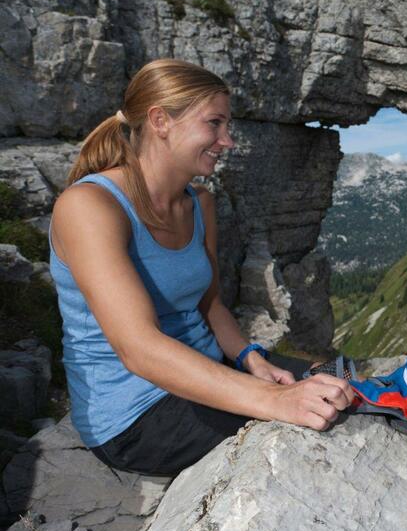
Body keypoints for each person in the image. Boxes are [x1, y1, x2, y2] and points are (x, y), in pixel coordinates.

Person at [49, 59, 354, 477]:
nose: (227, 141)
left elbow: (209, 304)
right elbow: (137, 348)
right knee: (328, 424)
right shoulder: (89, 206)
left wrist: (250, 357)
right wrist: (272, 401)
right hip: (135, 415)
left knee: (344, 387)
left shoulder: (199, 204)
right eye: (214, 123)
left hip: (209, 372)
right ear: (160, 120)